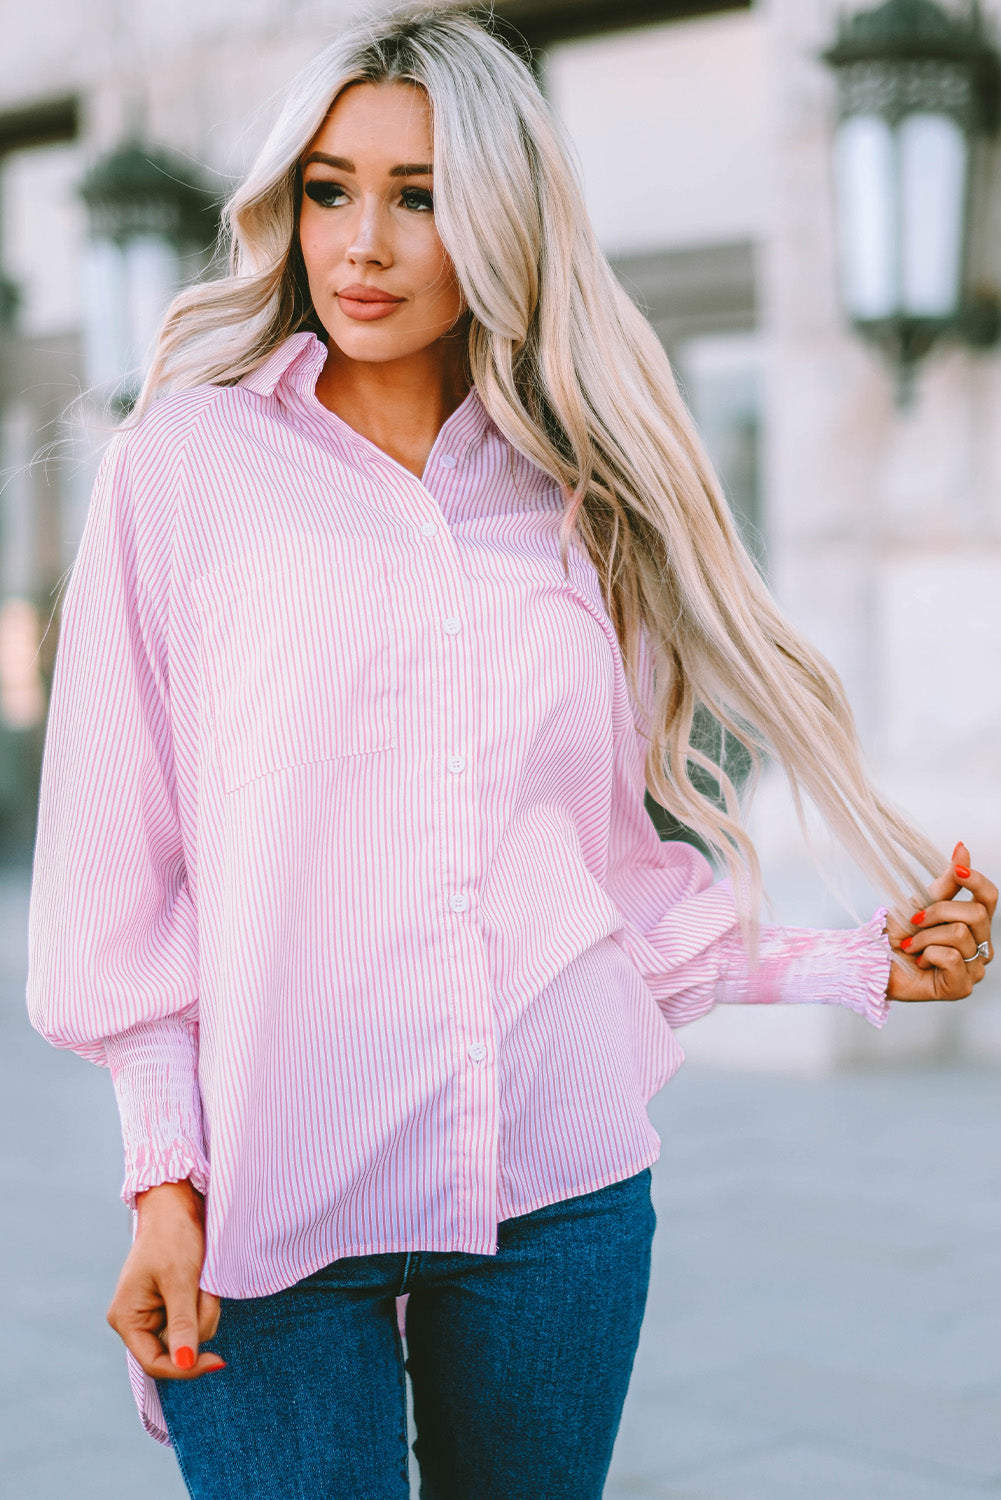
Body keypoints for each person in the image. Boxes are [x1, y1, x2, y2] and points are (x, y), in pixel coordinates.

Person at [26, 7, 996, 1498]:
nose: (361, 242)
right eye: (328, 187)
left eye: (417, 195)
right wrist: (162, 1184)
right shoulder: (183, 472)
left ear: (500, 213)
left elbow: (592, 885)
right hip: (266, 1209)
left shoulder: (573, 502)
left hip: (553, 1192)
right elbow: (122, 882)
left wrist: (855, 961)